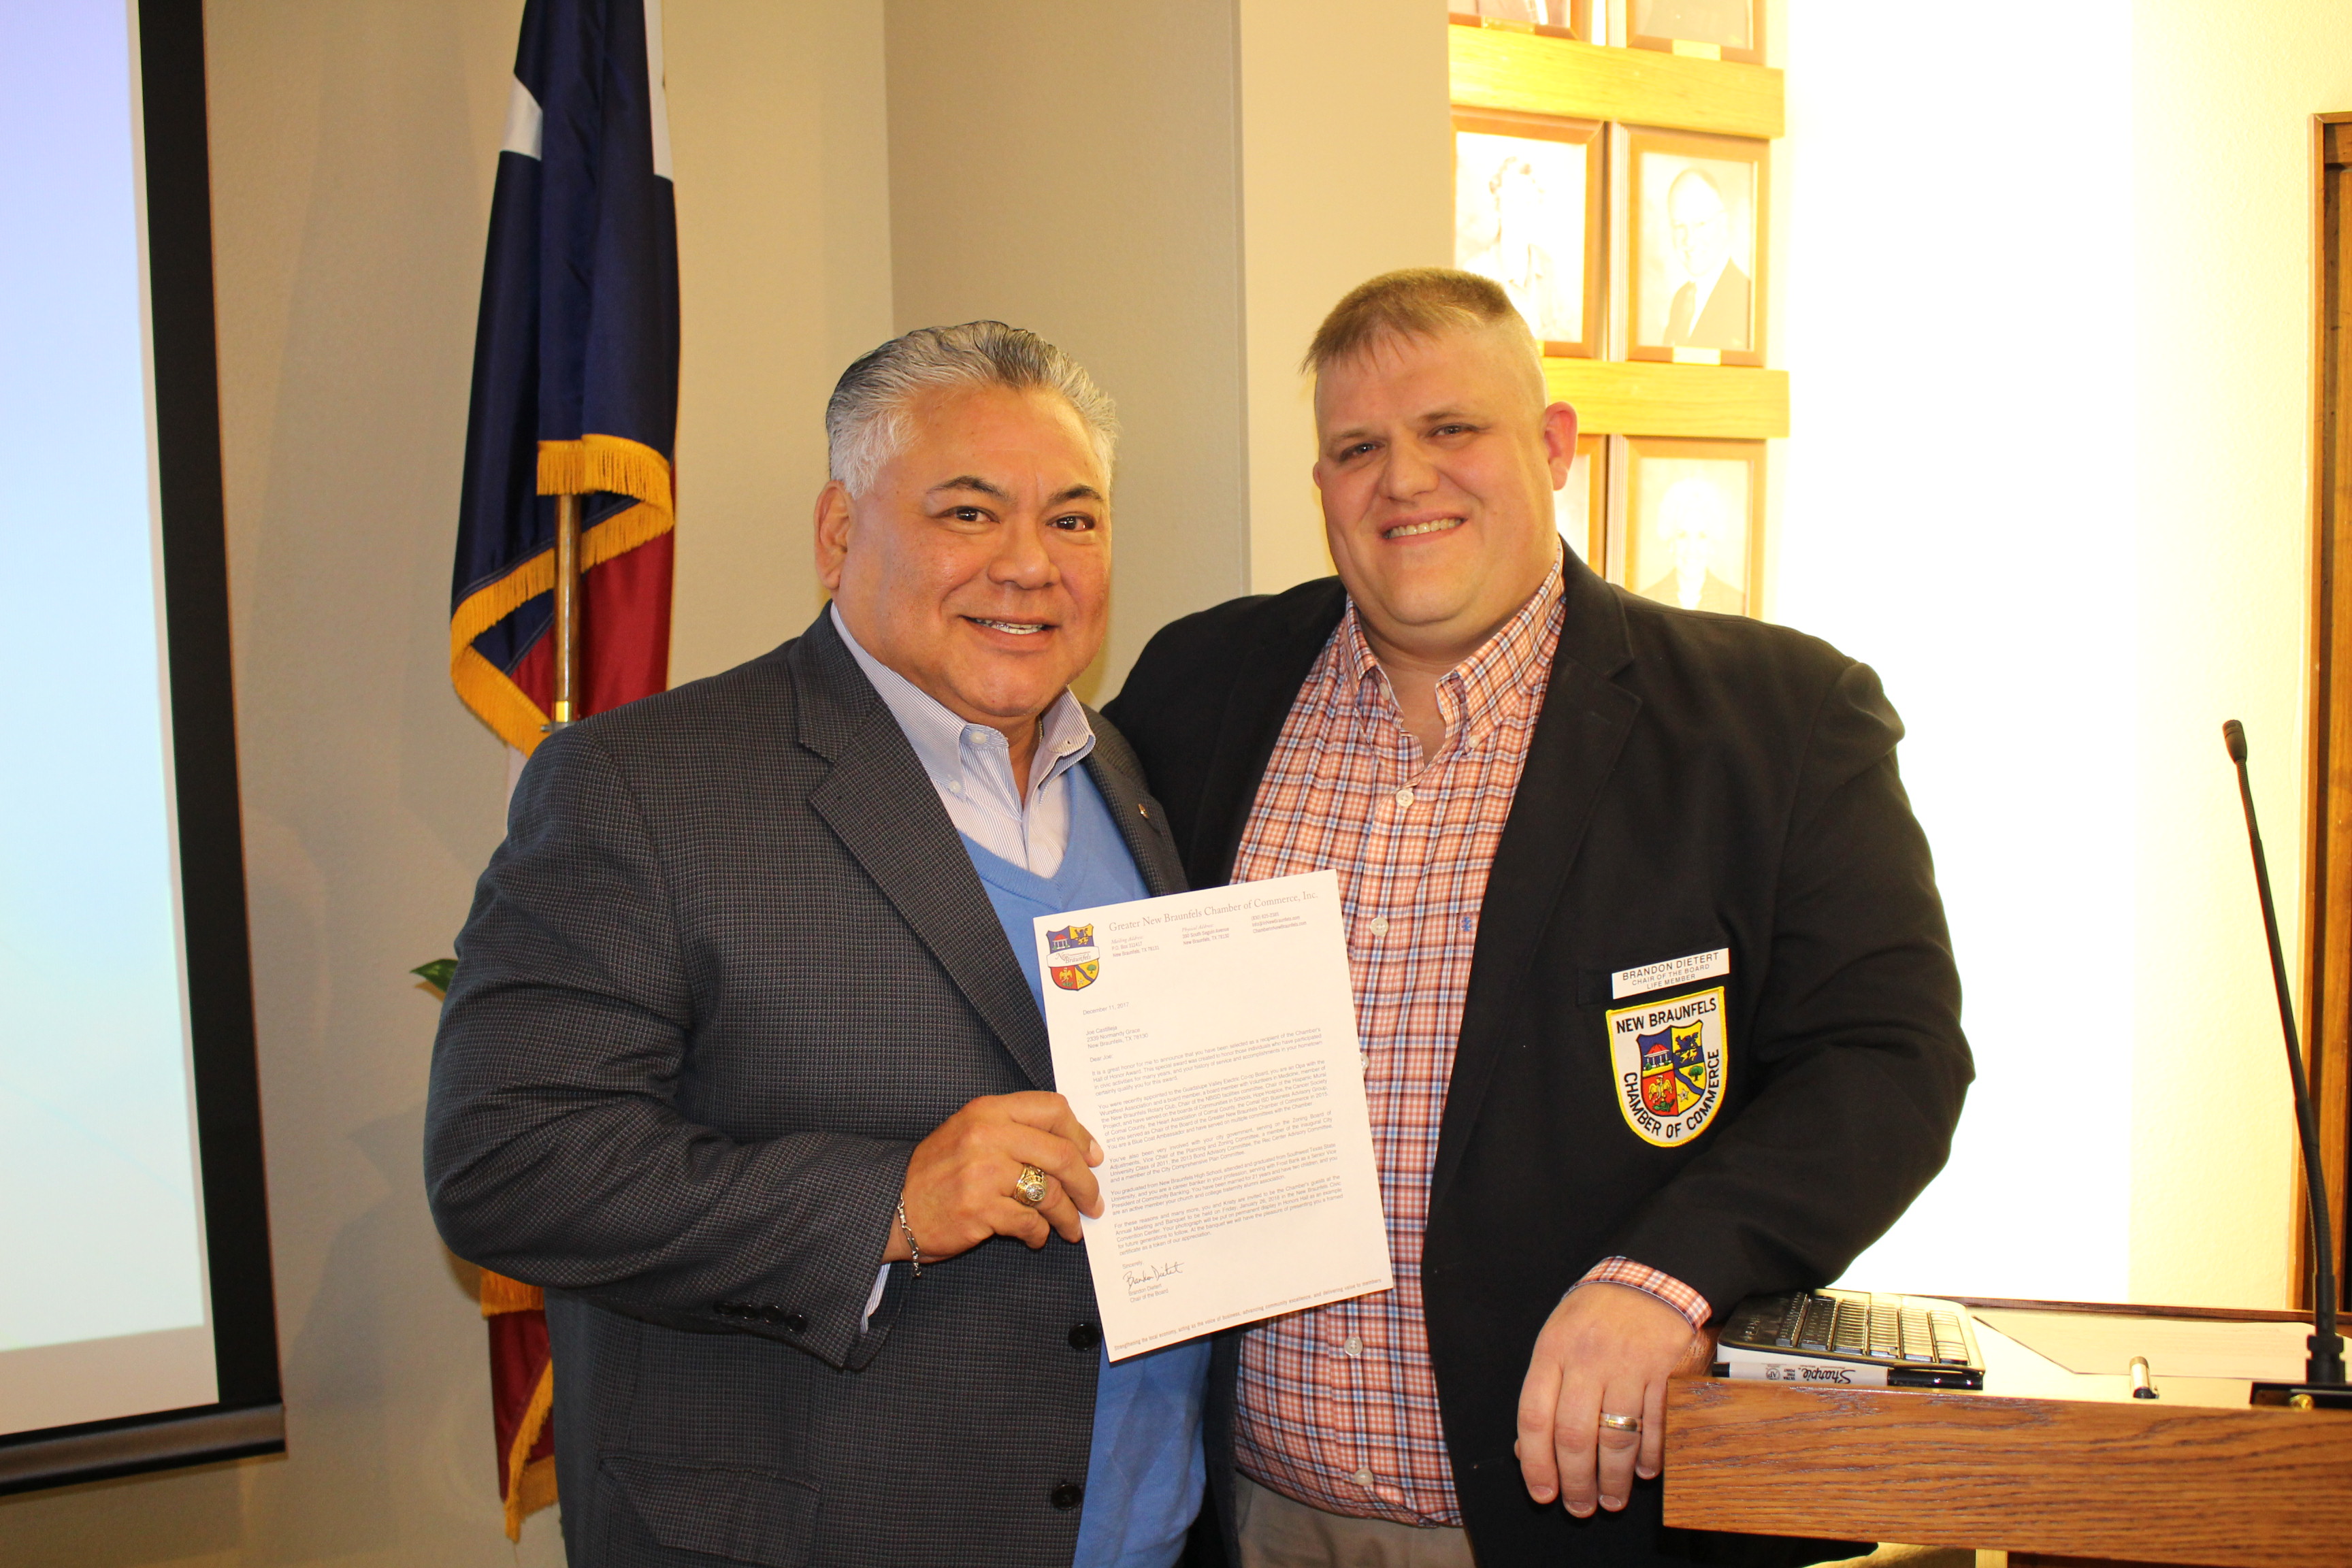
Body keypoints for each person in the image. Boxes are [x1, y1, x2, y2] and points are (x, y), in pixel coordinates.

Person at [1105, 269, 1970, 1567]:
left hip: (1572, 1521)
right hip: (1242, 1511)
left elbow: (1887, 1058)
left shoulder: (1778, 720)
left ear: (1552, 445)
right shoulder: (1200, 683)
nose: (1404, 479)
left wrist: (1666, 1274)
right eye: (1357, 448)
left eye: (1450, 429)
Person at [425, 322, 1211, 1568]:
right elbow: (505, 1160)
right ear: (839, 534)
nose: (1030, 564)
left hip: (1142, 1528)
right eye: (969, 512)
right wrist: (884, 1201)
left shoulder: (1123, 769)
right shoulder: (643, 785)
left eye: (1074, 519)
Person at [1659, 167, 1751, 352]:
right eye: (1679, 226)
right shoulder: (1681, 300)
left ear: (1724, 224)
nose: (1689, 240)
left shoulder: (1745, 298)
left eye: (1700, 224)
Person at [1635, 473, 1746, 613]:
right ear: (1671, 543)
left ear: (1712, 545)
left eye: (1702, 536)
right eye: (1682, 535)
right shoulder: (1646, 602)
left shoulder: (1736, 603)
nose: (1691, 548)